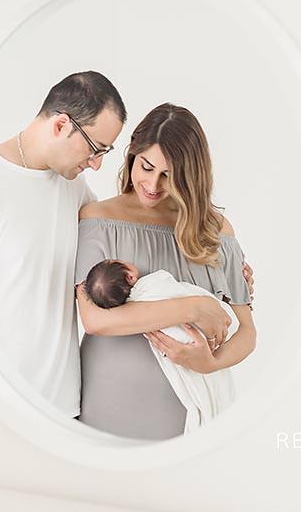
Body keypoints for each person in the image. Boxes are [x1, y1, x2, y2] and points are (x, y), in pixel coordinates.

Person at [0, 72, 235, 418]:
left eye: (106, 152)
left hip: (66, 406)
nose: (96, 164)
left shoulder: (73, 188)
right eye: (95, 148)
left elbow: (121, 237)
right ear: (61, 125)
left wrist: (229, 267)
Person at [75, 103, 257, 439]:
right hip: (107, 401)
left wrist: (211, 363)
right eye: (146, 167)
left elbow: (247, 332)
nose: (153, 184)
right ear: (132, 156)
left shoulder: (216, 232)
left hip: (188, 414)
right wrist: (192, 307)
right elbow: (96, 320)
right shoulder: (97, 220)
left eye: (169, 175)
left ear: (190, 176)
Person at [82, 259, 240, 433]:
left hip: (111, 403)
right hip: (195, 344)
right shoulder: (154, 285)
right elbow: (94, 323)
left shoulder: (132, 312)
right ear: (130, 275)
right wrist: (193, 310)